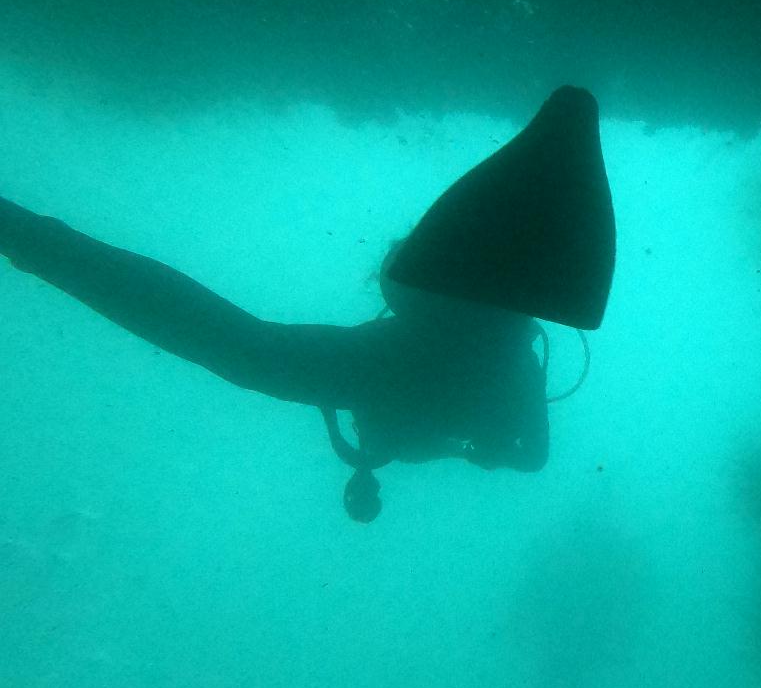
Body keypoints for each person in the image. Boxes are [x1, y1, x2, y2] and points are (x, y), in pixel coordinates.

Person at [0, 86, 616, 521]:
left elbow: (528, 454)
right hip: (418, 364)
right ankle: (29, 238)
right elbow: (530, 456)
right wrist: (463, 449)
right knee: (244, 353)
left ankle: (29, 238)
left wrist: (457, 444)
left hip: (396, 363)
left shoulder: (489, 374)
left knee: (242, 351)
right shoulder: (507, 380)